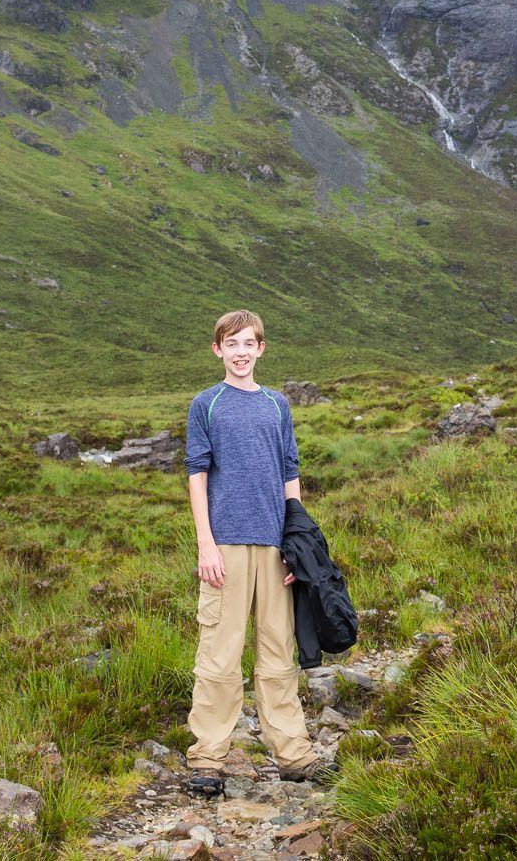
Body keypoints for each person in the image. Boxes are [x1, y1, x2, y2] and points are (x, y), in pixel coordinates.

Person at [182, 309, 335, 797]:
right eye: (232, 343)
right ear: (218, 350)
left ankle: (294, 755)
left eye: (249, 343)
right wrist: (205, 543)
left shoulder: (277, 405)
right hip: (224, 547)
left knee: (277, 655)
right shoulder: (206, 405)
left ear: (261, 349)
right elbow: (197, 475)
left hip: (274, 547)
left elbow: (291, 474)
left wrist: (297, 548)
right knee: (219, 658)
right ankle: (207, 758)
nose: (241, 351)